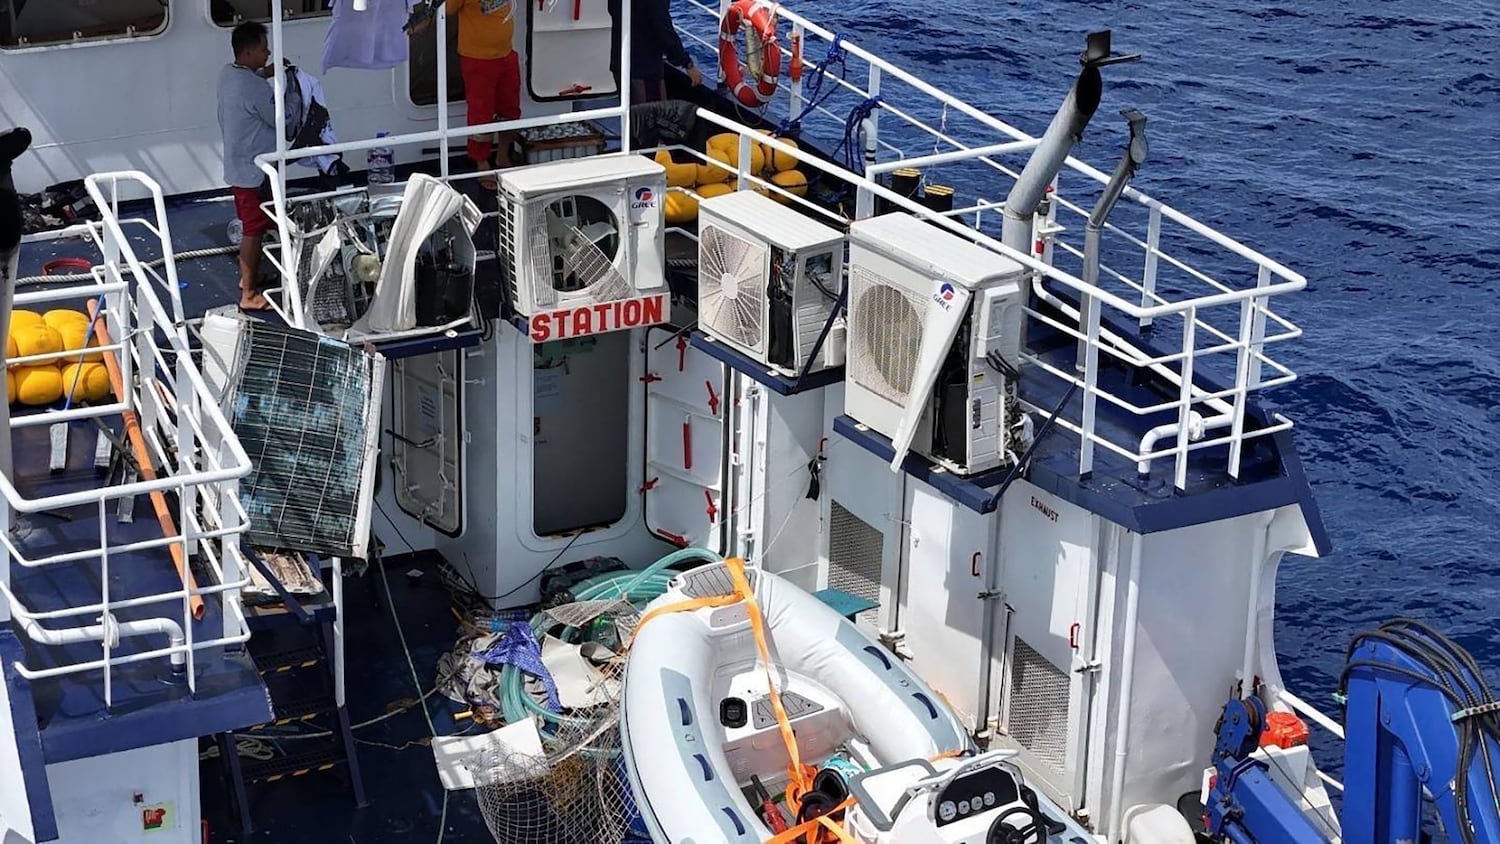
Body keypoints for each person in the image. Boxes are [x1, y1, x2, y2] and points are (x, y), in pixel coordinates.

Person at [216, 21, 277, 311]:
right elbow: (280, 119)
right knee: (254, 230)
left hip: (238, 168)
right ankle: (249, 294)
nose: (268, 54)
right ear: (249, 51)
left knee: (254, 224)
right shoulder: (254, 86)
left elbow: (249, 85)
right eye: (264, 50)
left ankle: (247, 278)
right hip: (254, 173)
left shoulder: (228, 74)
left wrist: (266, 73)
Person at [431, 0, 522, 190]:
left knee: (511, 109)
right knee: (481, 114)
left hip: (506, 54)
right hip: (476, 57)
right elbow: (447, 9)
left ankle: (503, 155)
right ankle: (482, 163)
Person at [609, 0, 703, 103]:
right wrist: (687, 64)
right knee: (652, 111)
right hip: (644, 69)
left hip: (620, 62)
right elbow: (664, 31)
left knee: (631, 109)